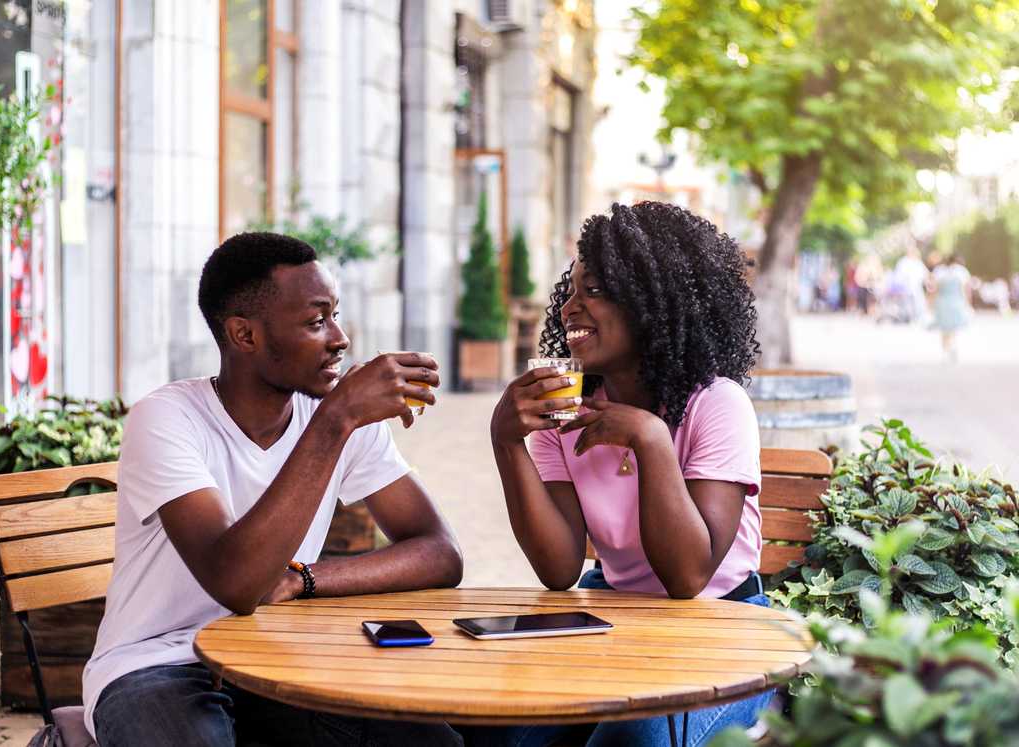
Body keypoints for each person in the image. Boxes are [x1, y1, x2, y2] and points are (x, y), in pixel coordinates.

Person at [82, 233, 464, 746]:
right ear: (244, 335)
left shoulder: (339, 418)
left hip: (274, 654)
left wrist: (304, 579)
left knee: (428, 740)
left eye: (335, 315)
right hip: (157, 663)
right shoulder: (168, 418)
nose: (340, 337)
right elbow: (236, 583)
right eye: (316, 321)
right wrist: (336, 419)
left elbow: (441, 554)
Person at [477, 202, 768, 747]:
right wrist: (505, 440)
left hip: (723, 624)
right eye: (571, 290)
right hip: (612, 613)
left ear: (656, 303)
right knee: (508, 731)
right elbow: (560, 567)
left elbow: (687, 579)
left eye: (597, 290)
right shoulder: (564, 411)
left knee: (633, 739)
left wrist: (651, 438)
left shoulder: (716, 405)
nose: (570, 308)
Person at [930, 254, 973, 361]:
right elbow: (965, 290)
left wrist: (931, 302)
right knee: (953, 326)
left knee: (944, 328)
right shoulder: (961, 271)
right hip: (956, 301)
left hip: (942, 301)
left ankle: (945, 350)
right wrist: (968, 303)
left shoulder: (939, 271)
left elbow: (934, 289)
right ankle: (953, 345)